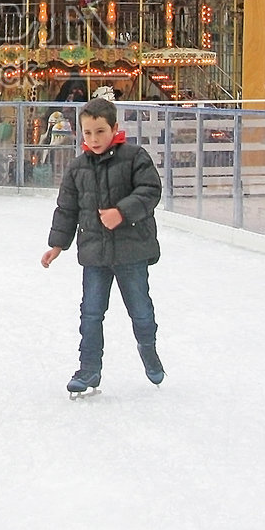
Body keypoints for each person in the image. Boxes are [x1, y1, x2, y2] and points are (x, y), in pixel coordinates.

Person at [41, 97, 164, 395]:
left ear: (115, 129)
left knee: (141, 311)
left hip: (131, 251)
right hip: (94, 254)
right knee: (91, 313)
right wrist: (57, 244)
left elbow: (150, 190)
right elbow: (67, 209)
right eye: (87, 133)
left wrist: (121, 212)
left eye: (100, 131)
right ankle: (88, 369)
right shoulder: (77, 168)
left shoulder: (135, 157)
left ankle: (148, 349)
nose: (93, 139)